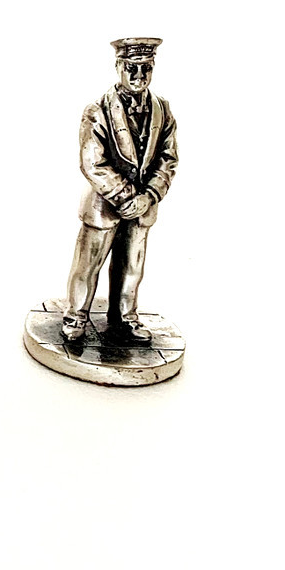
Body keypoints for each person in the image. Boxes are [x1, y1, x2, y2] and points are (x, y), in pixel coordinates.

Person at [60, 37, 179, 343]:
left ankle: (125, 317)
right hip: (104, 206)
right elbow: (92, 162)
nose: (139, 75)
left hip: (143, 208)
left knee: (132, 266)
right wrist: (126, 197)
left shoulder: (163, 110)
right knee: (88, 264)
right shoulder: (97, 110)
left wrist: (148, 196)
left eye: (146, 68)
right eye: (131, 68)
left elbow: (168, 158)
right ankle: (76, 314)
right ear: (118, 67)